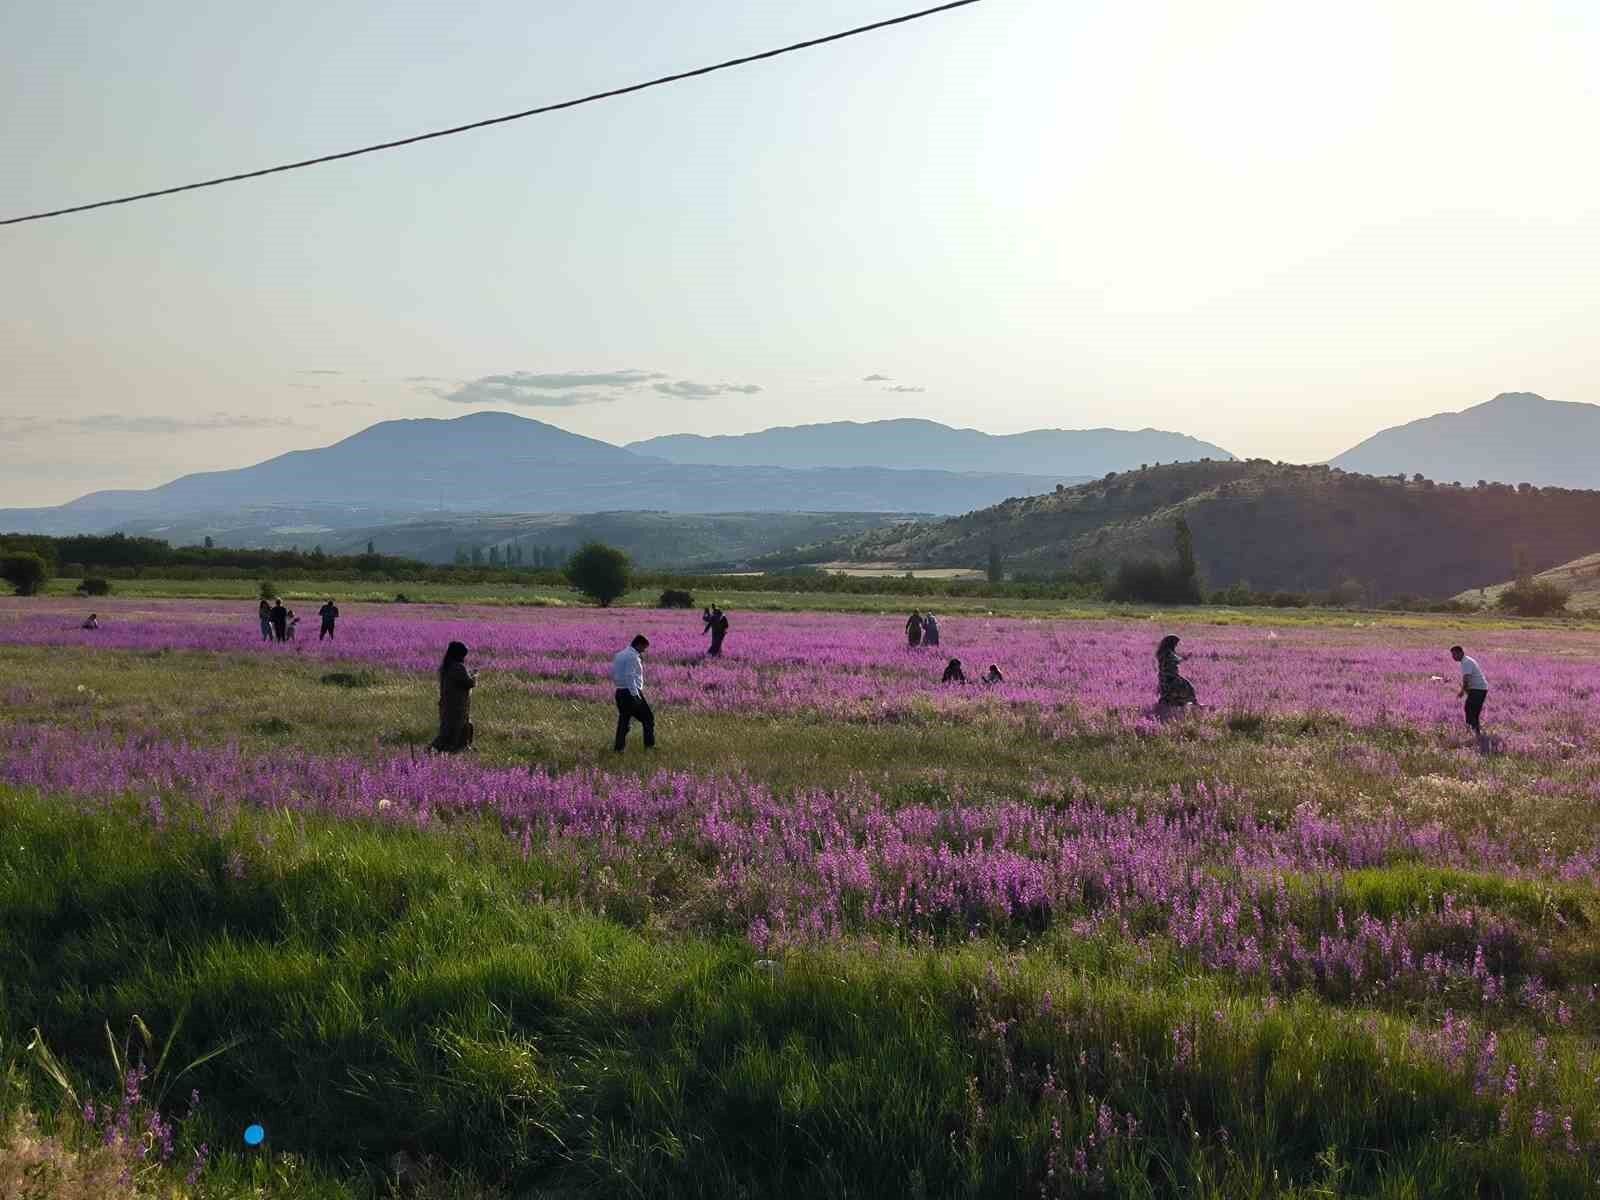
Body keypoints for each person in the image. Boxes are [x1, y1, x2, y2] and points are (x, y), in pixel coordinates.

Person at [612, 634, 655, 752]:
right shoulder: (632, 657)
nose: (644, 651)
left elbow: (615, 673)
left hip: (620, 692)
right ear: (639, 644)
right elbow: (630, 676)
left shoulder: (619, 655)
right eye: (644, 648)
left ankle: (619, 748)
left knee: (624, 720)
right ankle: (649, 747)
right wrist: (635, 695)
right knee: (648, 718)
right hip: (631, 692)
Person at [431, 641, 476, 752]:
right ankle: (441, 749)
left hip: (446, 704)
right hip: (457, 706)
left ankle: (450, 749)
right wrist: (474, 676)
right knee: (457, 729)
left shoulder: (446, 667)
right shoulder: (458, 667)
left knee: (447, 730)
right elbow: (469, 683)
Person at [1451, 645, 1489, 736]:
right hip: (1478, 689)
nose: (1453, 657)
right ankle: (1474, 731)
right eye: (1452, 655)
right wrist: (1467, 691)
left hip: (1478, 689)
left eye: (1454, 654)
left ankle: (1474, 732)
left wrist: (1462, 692)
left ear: (1460, 653)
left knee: (1471, 710)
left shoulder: (1466, 662)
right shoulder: (1466, 661)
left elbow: (1466, 679)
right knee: (1472, 710)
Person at [1156, 635, 1197, 706]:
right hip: (1171, 677)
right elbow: (1177, 659)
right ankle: (1192, 704)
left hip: (1163, 677)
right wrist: (1186, 657)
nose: (1176, 646)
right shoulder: (1168, 653)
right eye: (1176, 644)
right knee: (1188, 688)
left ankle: (1172, 701)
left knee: (1180, 687)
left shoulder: (1161, 652)